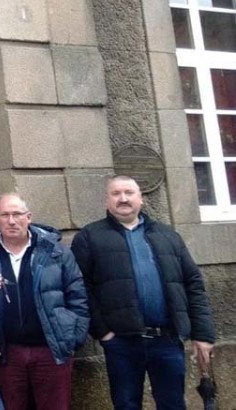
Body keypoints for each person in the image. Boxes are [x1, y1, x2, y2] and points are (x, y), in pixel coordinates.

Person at [71, 176, 215, 410]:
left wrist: (203, 334)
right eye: (116, 194)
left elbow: (193, 284)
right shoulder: (89, 237)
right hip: (122, 343)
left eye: (129, 192)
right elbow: (80, 288)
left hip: (167, 340)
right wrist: (103, 333)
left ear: (141, 199)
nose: (123, 198)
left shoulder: (168, 235)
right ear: (106, 201)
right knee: (126, 404)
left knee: (173, 404)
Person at [0, 193, 89, 410]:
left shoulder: (56, 252)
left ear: (29, 217)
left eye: (17, 214)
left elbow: (78, 297)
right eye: (5, 215)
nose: (11, 221)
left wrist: (72, 339)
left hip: (51, 350)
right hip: (7, 352)